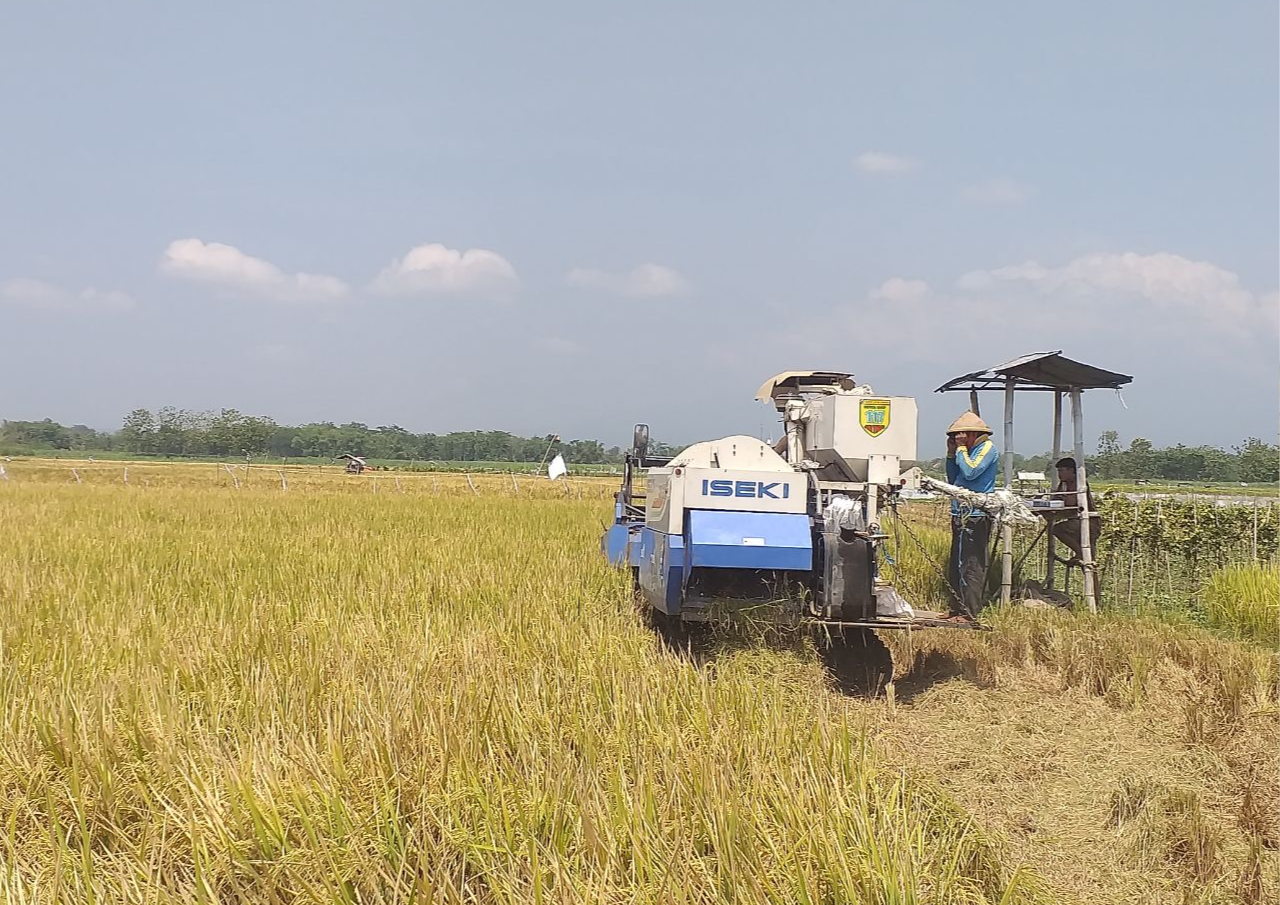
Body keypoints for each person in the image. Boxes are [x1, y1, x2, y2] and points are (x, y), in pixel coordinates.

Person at [944, 412, 998, 621]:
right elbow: (953, 478)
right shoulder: (965, 452)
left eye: (961, 435)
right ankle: (956, 608)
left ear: (973, 434)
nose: (958, 439)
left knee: (972, 564)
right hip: (960, 512)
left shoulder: (986, 448)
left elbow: (970, 472)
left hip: (976, 515)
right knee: (957, 563)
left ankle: (970, 611)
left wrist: (960, 449)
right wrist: (952, 455)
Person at [1048, 457, 1102, 565]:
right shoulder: (1064, 484)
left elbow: (1071, 501)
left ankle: (1080, 553)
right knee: (1089, 561)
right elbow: (1056, 499)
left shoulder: (1080, 483)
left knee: (1058, 529)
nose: (1059, 474)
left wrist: (1061, 499)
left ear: (1071, 471)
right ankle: (1081, 554)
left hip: (1089, 522)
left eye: (1061, 471)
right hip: (1075, 522)